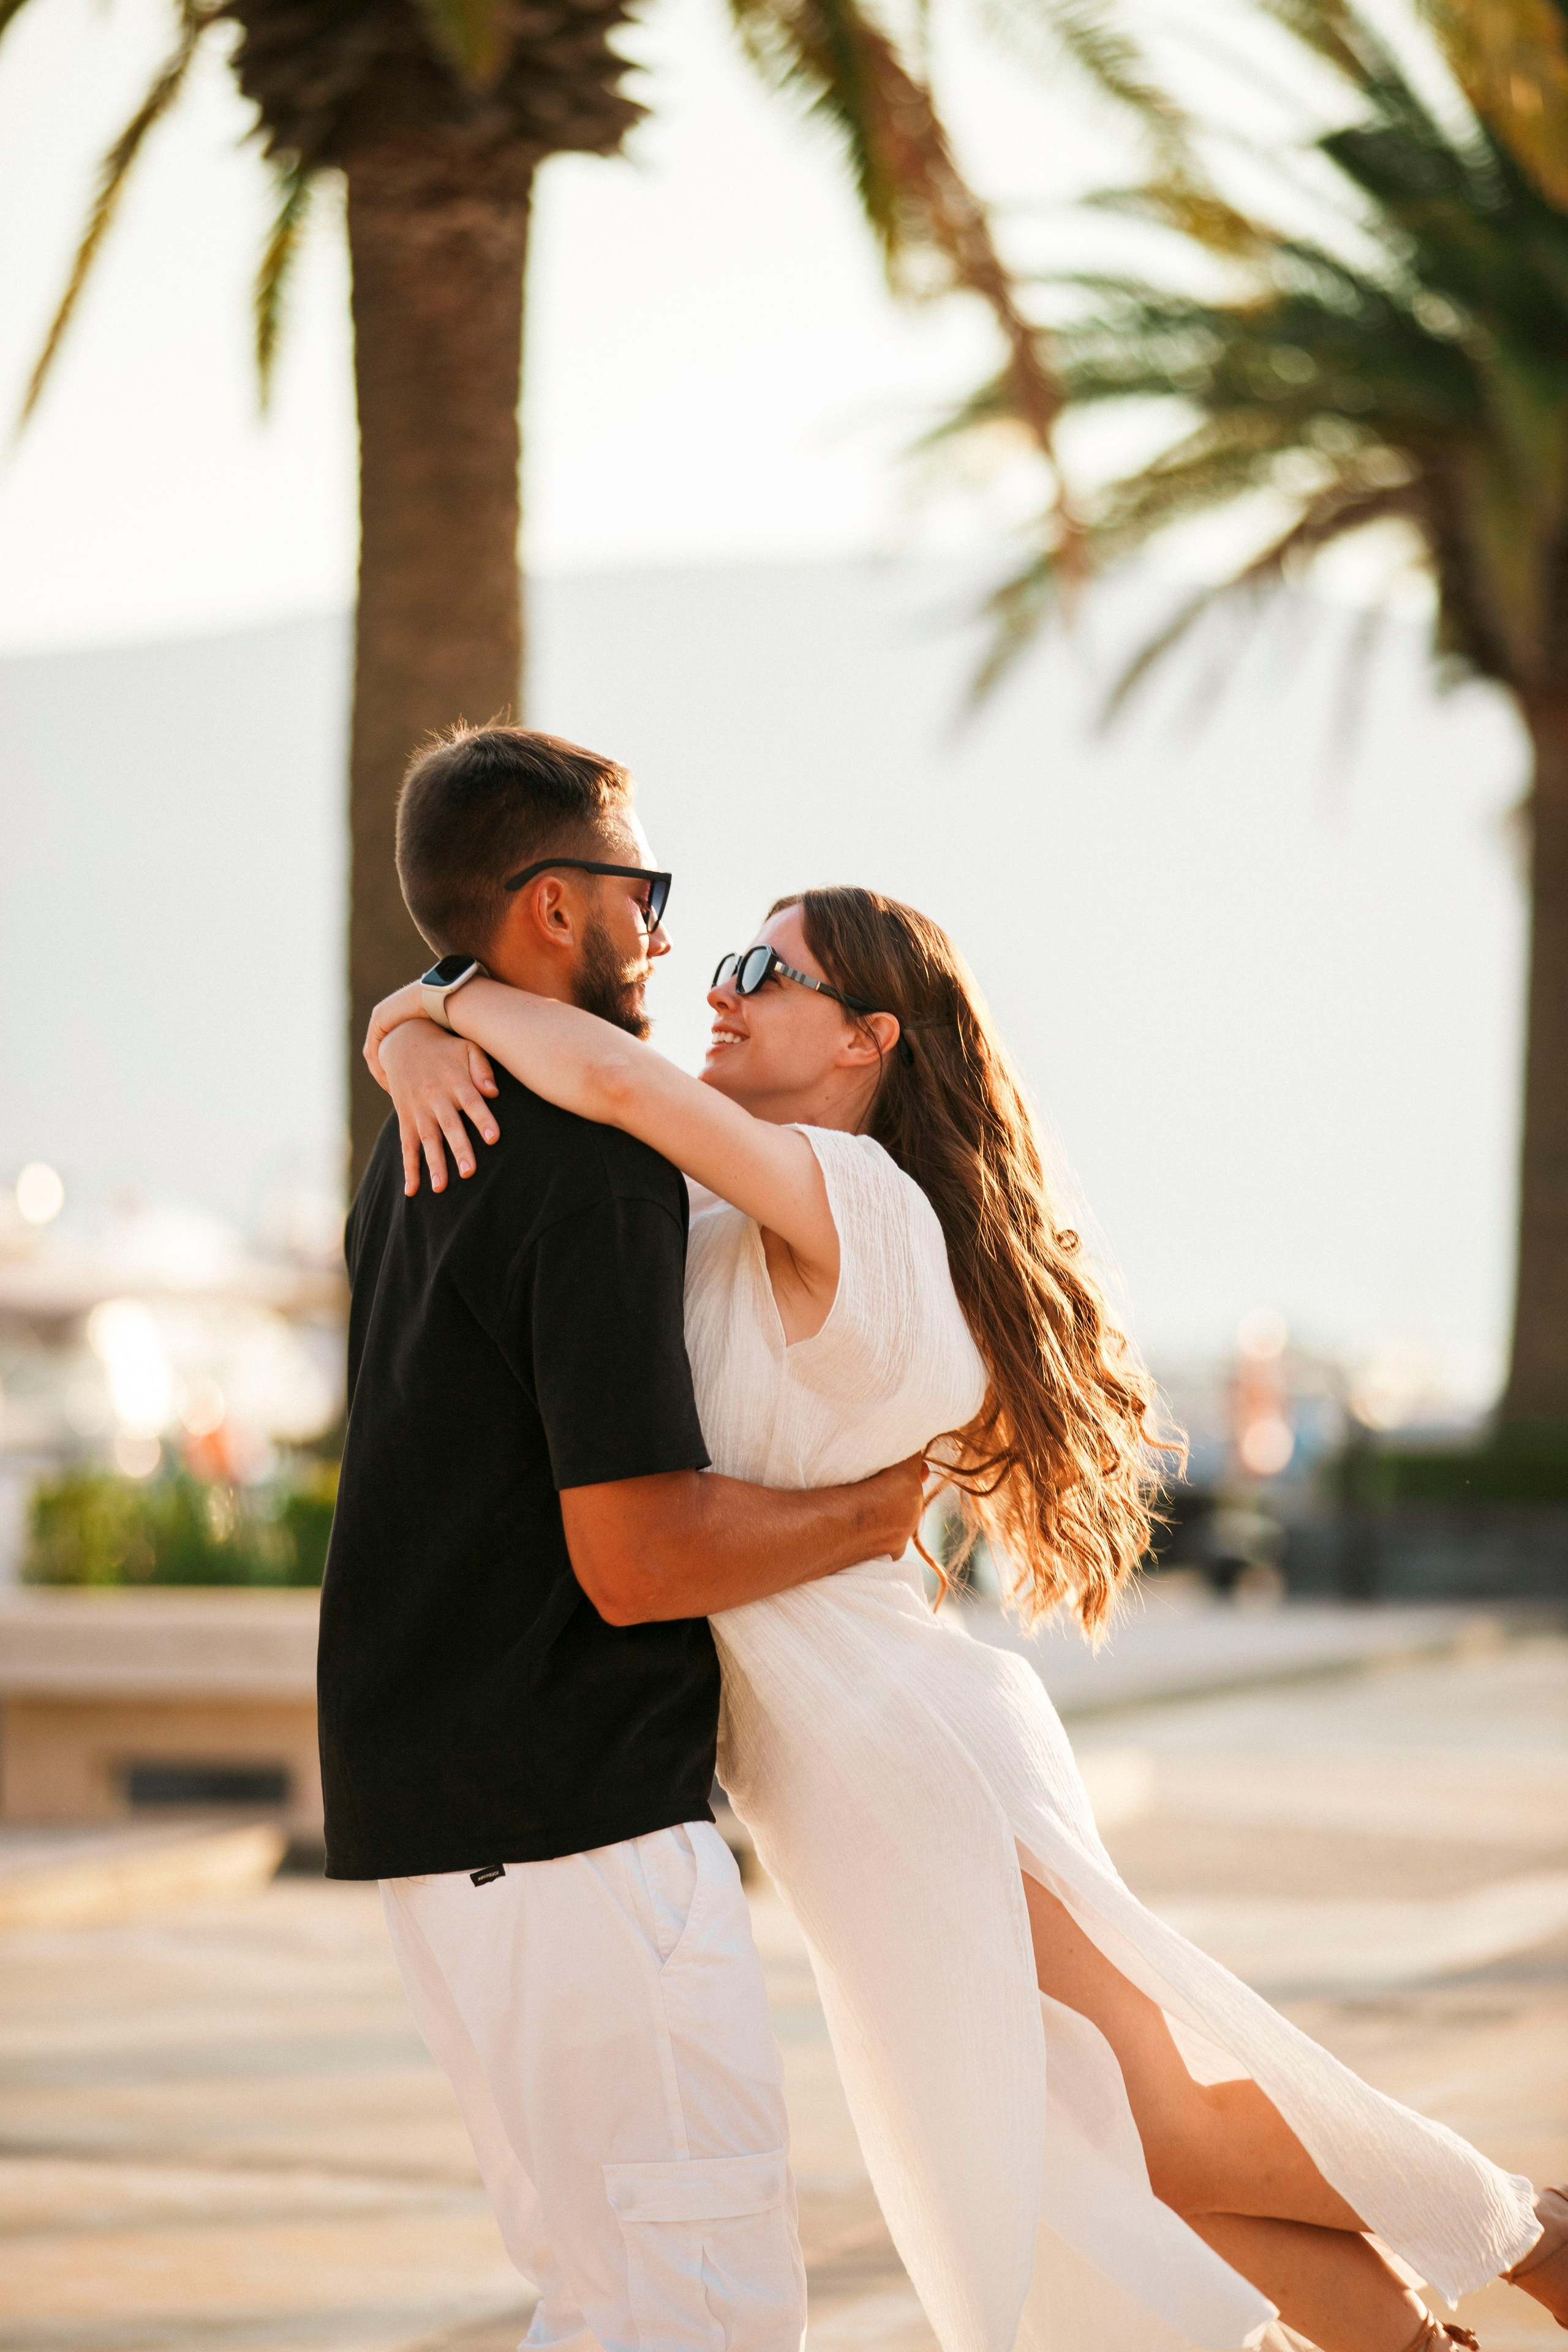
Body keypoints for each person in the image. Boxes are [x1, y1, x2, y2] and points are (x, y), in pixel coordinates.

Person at [369, 730, 1566, 2352]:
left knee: (1159, 2117)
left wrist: (440, 1004)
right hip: (832, 1764)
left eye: (765, 971)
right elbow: (592, 1075)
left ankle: (1530, 2233)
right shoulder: (723, 1197)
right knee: (1097, 2141)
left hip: (903, 1742)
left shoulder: (859, 1204)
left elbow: (605, 1072)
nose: (716, 986)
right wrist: (413, 1027)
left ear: (869, 1040)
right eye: (719, 956)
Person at [320, 726, 929, 2352]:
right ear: (549, 909)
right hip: (575, 1829)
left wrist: (416, 1012)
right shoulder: (591, 1163)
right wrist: (874, 1514)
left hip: (454, 1827)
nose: (664, 932)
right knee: (698, 2311)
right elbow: (637, 1558)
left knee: (606, 2300)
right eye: (640, 892)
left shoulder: (426, 1125)